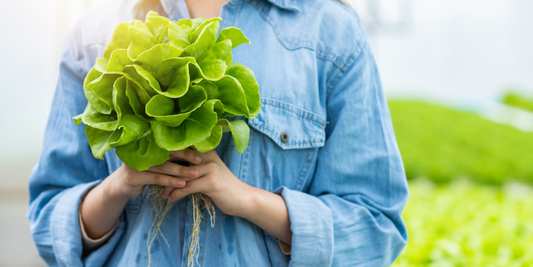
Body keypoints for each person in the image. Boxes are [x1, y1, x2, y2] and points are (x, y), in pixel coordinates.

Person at [27, 0, 409, 266]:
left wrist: (247, 200)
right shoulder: (93, 35)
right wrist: (121, 184)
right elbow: (48, 221)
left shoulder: (329, 34)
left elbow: (375, 228)